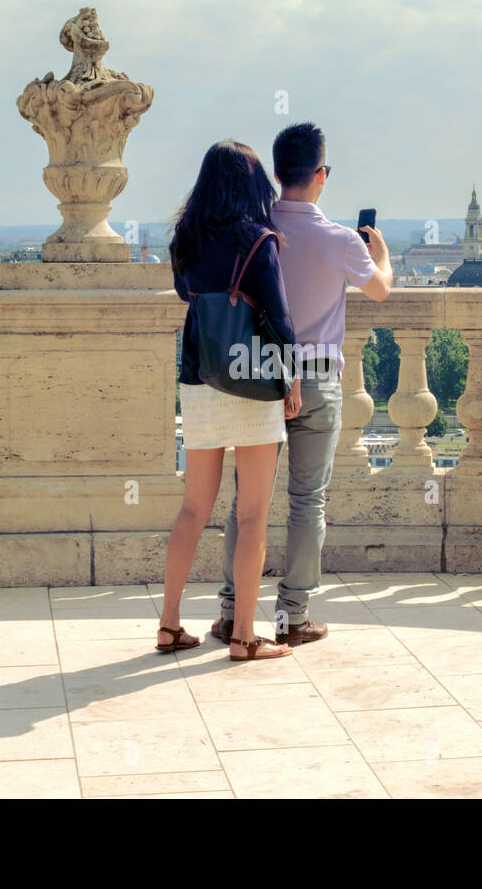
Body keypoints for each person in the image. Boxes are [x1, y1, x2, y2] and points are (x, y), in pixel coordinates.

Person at [212, 122, 393, 647]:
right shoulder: (339, 239)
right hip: (316, 377)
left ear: (275, 173)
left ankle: (231, 610)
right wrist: (381, 254)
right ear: (320, 176)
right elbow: (380, 291)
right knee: (306, 501)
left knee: (246, 500)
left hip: (258, 374)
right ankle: (292, 614)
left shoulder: (252, 230)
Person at [159, 139, 301, 661]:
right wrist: (292, 380)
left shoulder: (186, 240)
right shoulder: (259, 239)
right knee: (254, 513)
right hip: (253, 380)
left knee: (193, 508)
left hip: (200, 380)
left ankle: (169, 623)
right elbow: (282, 321)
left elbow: (184, 295)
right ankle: (243, 636)